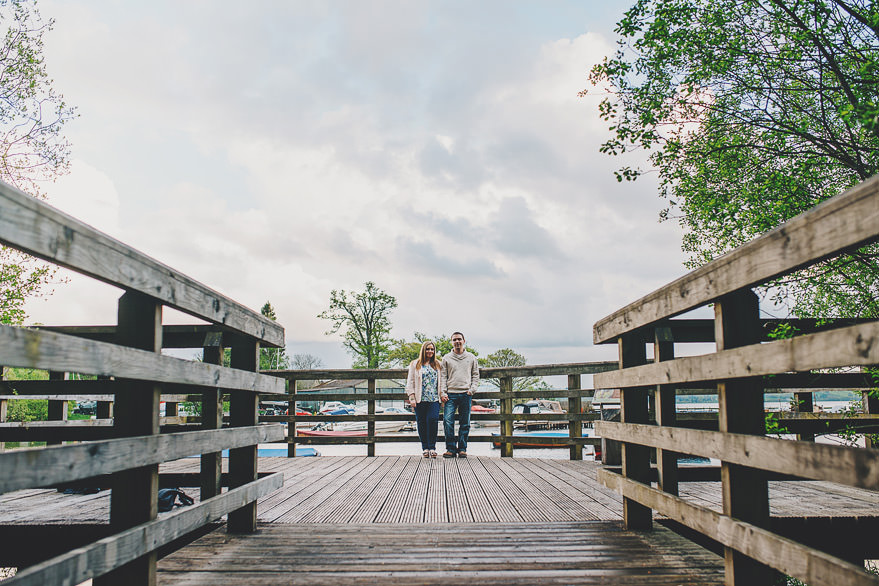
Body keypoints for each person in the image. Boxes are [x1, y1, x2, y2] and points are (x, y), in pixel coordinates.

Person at [441, 331, 479, 458]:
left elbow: (475, 375)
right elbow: (443, 376)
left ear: (464, 341)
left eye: (459, 339)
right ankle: (450, 449)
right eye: (454, 340)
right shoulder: (446, 358)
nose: (457, 342)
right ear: (452, 342)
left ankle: (462, 448)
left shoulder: (471, 357)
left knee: (465, 422)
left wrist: (472, 390)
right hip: (450, 394)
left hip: (465, 393)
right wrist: (443, 392)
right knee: (447, 421)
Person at [405, 340, 443, 458]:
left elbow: (442, 381)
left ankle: (432, 447)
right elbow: (410, 381)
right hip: (420, 398)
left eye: (432, 349)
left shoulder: (438, 364)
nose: (430, 351)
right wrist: (411, 397)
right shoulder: (415, 364)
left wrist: (443, 394)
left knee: (433, 420)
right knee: (421, 422)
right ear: (423, 350)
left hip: (434, 398)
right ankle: (425, 448)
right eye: (428, 349)